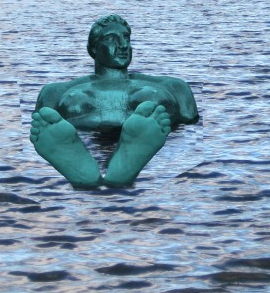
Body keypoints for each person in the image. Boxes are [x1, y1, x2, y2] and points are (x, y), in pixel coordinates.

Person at [30, 14, 199, 188]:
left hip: (122, 134)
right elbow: (191, 129)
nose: (124, 45)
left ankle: (90, 177)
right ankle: (116, 167)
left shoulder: (175, 86)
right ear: (94, 47)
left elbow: (189, 121)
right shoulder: (55, 92)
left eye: (126, 38)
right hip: (132, 133)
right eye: (112, 39)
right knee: (154, 115)